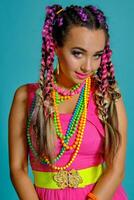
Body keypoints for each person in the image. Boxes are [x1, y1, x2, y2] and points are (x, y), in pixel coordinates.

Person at [8, 4, 128, 200]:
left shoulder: (107, 97)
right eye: (78, 53)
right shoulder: (25, 98)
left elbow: (116, 169)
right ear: (55, 46)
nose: (88, 67)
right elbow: (17, 168)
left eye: (97, 55)